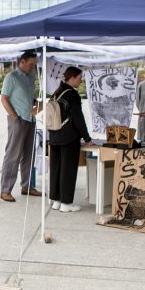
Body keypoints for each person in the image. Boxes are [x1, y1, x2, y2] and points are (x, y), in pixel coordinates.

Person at [48, 66, 91, 213]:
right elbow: (78, 118)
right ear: (72, 78)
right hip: (68, 138)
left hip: (54, 136)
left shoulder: (56, 92)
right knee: (68, 170)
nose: (80, 81)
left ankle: (56, 201)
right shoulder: (72, 94)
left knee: (56, 169)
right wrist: (87, 137)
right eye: (79, 78)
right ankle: (66, 203)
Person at [0, 50, 41, 202]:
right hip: (18, 120)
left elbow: (27, 96)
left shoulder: (30, 76)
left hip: (31, 118)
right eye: (30, 64)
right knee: (13, 155)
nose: (32, 67)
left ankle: (27, 186)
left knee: (29, 155)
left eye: (34, 65)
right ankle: (5, 190)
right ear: (22, 62)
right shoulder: (12, 77)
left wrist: (35, 102)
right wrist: (15, 117)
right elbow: (3, 99)